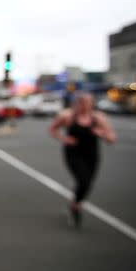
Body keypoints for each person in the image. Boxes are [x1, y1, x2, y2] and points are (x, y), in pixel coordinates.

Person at [49, 92, 116, 227]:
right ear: (77, 103)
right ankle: (76, 208)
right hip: (73, 153)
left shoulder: (98, 118)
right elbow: (53, 129)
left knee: (88, 183)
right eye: (81, 102)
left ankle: (75, 204)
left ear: (92, 103)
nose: (84, 105)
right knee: (83, 180)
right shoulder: (68, 116)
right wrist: (64, 138)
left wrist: (102, 134)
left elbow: (112, 138)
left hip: (91, 154)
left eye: (88, 102)